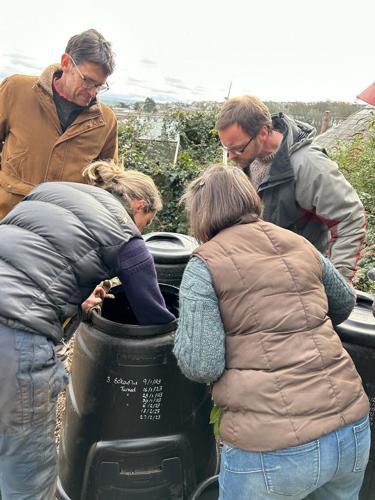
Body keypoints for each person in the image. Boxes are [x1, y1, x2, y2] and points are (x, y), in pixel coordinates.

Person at [174, 164, 370, 500]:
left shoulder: (204, 264)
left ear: (200, 212)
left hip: (271, 450)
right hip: (349, 430)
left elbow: (201, 364)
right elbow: (343, 304)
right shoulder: (298, 243)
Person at [0, 160, 175, 499]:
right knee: (26, 470)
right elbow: (154, 315)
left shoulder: (49, 191)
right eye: (146, 222)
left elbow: (29, 259)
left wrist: (75, 306)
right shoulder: (125, 235)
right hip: (15, 341)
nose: (141, 230)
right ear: (139, 206)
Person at [215, 96, 366, 282]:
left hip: (301, 280)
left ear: (263, 133)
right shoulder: (248, 159)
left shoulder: (308, 165)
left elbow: (349, 219)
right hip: (264, 275)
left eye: (237, 149)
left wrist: (337, 284)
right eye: (226, 148)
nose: (230, 157)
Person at [0, 29, 118, 219]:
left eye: (99, 86)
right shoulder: (15, 90)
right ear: (66, 63)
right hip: (8, 222)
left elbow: (108, 183)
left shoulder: (106, 121)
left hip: (66, 232)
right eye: (87, 81)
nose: (92, 92)